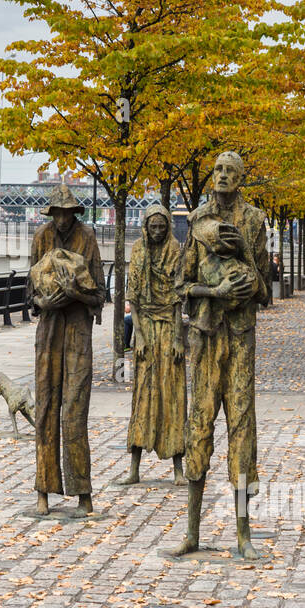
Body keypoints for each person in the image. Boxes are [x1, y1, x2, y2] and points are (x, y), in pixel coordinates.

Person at [174, 151, 271, 560]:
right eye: (217, 170)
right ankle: (192, 532)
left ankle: (243, 535)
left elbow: (265, 288)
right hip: (205, 336)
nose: (223, 176)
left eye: (231, 172)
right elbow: (182, 285)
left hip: (242, 336)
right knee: (199, 424)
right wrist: (214, 293)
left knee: (242, 428)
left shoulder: (255, 220)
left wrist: (245, 264)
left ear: (241, 178)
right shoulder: (196, 221)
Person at [29, 183, 105, 517]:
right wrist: (42, 302)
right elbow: (29, 293)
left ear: (74, 213)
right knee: (46, 408)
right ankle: (43, 489)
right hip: (48, 333)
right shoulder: (41, 238)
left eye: (67, 213)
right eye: (57, 213)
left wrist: (77, 294)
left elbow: (100, 294)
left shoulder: (87, 238)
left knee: (74, 411)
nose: (61, 219)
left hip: (77, 333)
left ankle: (82, 491)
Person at [118, 205, 186, 486]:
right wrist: (140, 337)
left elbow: (178, 299)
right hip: (145, 327)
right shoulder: (138, 250)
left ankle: (178, 469)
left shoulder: (175, 251)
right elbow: (133, 298)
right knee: (143, 397)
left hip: (169, 328)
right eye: (152, 227)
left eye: (161, 227)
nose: (157, 232)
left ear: (167, 226)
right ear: (146, 226)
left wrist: (179, 339)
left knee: (173, 397)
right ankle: (134, 468)